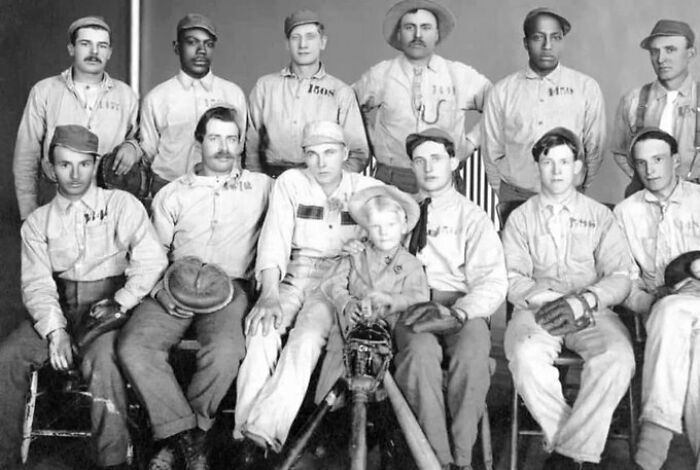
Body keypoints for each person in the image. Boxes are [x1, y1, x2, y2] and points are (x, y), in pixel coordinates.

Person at [0, 125, 167, 470]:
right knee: (8, 357)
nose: (75, 175)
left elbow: (152, 259)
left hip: (109, 309)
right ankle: (6, 461)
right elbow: (37, 284)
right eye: (64, 165)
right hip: (59, 308)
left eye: (83, 165)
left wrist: (123, 299)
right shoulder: (36, 223)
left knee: (104, 362)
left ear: (96, 164)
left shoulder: (121, 204)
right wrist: (55, 332)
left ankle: (114, 463)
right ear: (50, 168)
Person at [118, 106, 272, 470]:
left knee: (226, 350)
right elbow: (151, 253)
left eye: (231, 139)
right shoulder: (172, 194)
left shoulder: (263, 187)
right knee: (134, 345)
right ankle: (185, 438)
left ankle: (190, 434)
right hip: (173, 283)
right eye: (214, 138)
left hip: (229, 288)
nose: (223, 147)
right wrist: (157, 291)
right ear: (199, 141)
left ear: (240, 144)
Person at [234, 121, 382, 461]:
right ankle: (244, 438)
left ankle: (263, 433)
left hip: (338, 277)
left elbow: (402, 221)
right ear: (304, 157)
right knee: (261, 332)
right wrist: (269, 293)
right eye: (312, 154)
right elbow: (274, 240)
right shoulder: (290, 183)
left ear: (345, 153)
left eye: (330, 152)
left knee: (306, 339)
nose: (321, 162)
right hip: (294, 271)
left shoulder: (368, 187)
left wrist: (366, 252)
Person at [502, 127, 635, 469]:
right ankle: (579, 448)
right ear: (538, 167)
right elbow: (510, 276)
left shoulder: (601, 216)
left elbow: (620, 276)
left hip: (592, 310)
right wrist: (545, 298)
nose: (557, 170)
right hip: (537, 311)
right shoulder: (520, 218)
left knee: (618, 358)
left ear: (578, 167)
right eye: (548, 162)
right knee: (525, 356)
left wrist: (585, 300)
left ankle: (565, 455)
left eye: (565, 161)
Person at [391, 128, 507, 470]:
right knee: (418, 355)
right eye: (420, 160)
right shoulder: (399, 213)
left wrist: (459, 312)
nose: (429, 167)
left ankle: (461, 459)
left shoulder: (473, 217)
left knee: (472, 355)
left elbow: (493, 280)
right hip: (413, 305)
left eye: (437, 158)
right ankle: (438, 461)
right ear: (411, 166)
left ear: (454, 162)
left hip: (460, 305)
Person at [613, 127, 700, 470]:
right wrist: (650, 304)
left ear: (677, 161)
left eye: (659, 160)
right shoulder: (624, 213)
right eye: (641, 163)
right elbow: (624, 281)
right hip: (661, 311)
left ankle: (652, 443)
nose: (650, 170)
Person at [354, 0, 492, 193]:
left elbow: (500, 106)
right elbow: (347, 104)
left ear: (437, 34)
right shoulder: (381, 74)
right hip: (393, 179)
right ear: (399, 34)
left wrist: (470, 144)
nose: (418, 35)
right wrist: (371, 138)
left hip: (444, 182)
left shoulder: (459, 75)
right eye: (410, 27)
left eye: (426, 28)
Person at [13, 16, 140, 220]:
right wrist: (28, 214)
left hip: (109, 212)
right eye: (85, 44)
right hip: (57, 210)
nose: (94, 52)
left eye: (102, 46)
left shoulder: (126, 95)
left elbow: (142, 140)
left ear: (109, 53)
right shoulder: (45, 91)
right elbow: (26, 156)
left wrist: (133, 148)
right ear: (71, 48)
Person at [314, 184, 428, 400]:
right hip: (350, 329)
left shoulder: (411, 264)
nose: (384, 232)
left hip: (388, 335)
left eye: (391, 225)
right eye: (376, 226)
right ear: (366, 228)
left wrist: (391, 300)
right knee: (336, 360)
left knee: (391, 378)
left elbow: (419, 297)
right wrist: (347, 303)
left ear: (403, 226)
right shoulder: (356, 253)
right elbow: (332, 282)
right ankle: (330, 413)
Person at [482, 8, 606, 202]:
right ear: (526, 42)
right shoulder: (502, 91)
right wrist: (504, 194)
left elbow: (595, 147)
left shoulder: (586, 88)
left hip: (568, 195)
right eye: (538, 37)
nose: (547, 46)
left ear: (562, 41)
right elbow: (491, 152)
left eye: (555, 37)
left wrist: (578, 186)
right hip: (516, 195)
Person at [245, 9, 368, 177]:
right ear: (287, 44)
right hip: (272, 180)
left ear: (323, 42)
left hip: (320, 183)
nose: (303, 45)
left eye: (310, 37)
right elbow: (252, 146)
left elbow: (359, 153)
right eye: (296, 38)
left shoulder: (341, 92)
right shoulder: (265, 87)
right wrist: (258, 183)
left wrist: (328, 182)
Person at [139, 13, 247, 196]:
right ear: (176, 47)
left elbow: (240, 147)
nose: (201, 50)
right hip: (168, 189)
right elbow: (146, 153)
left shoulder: (232, 94)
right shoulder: (157, 97)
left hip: (222, 191)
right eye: (192, 42)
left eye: (208, 44)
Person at [612, 20, 698, 196]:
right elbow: (620, 151)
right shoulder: (634, 100)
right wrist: (644, 178)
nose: (661, 59)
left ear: (690, 53)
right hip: (645, 199)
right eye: (654, 51)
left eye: (670, 50)